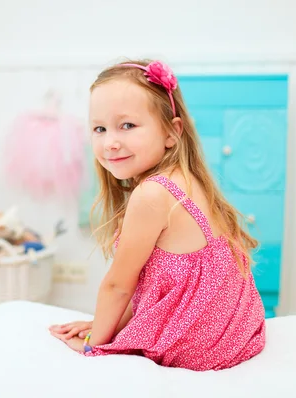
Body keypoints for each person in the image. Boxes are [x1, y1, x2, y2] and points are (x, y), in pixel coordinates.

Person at [49, 59, 266, 371]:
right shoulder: (189, 179)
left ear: (170, 132)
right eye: (99, 128)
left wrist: (93, 344)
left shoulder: (152, 195)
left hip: (200, 348)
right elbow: (151, 287)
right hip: (236, 333)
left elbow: (119, 286)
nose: (110, 142)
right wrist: (103, 325)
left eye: (127, 125)